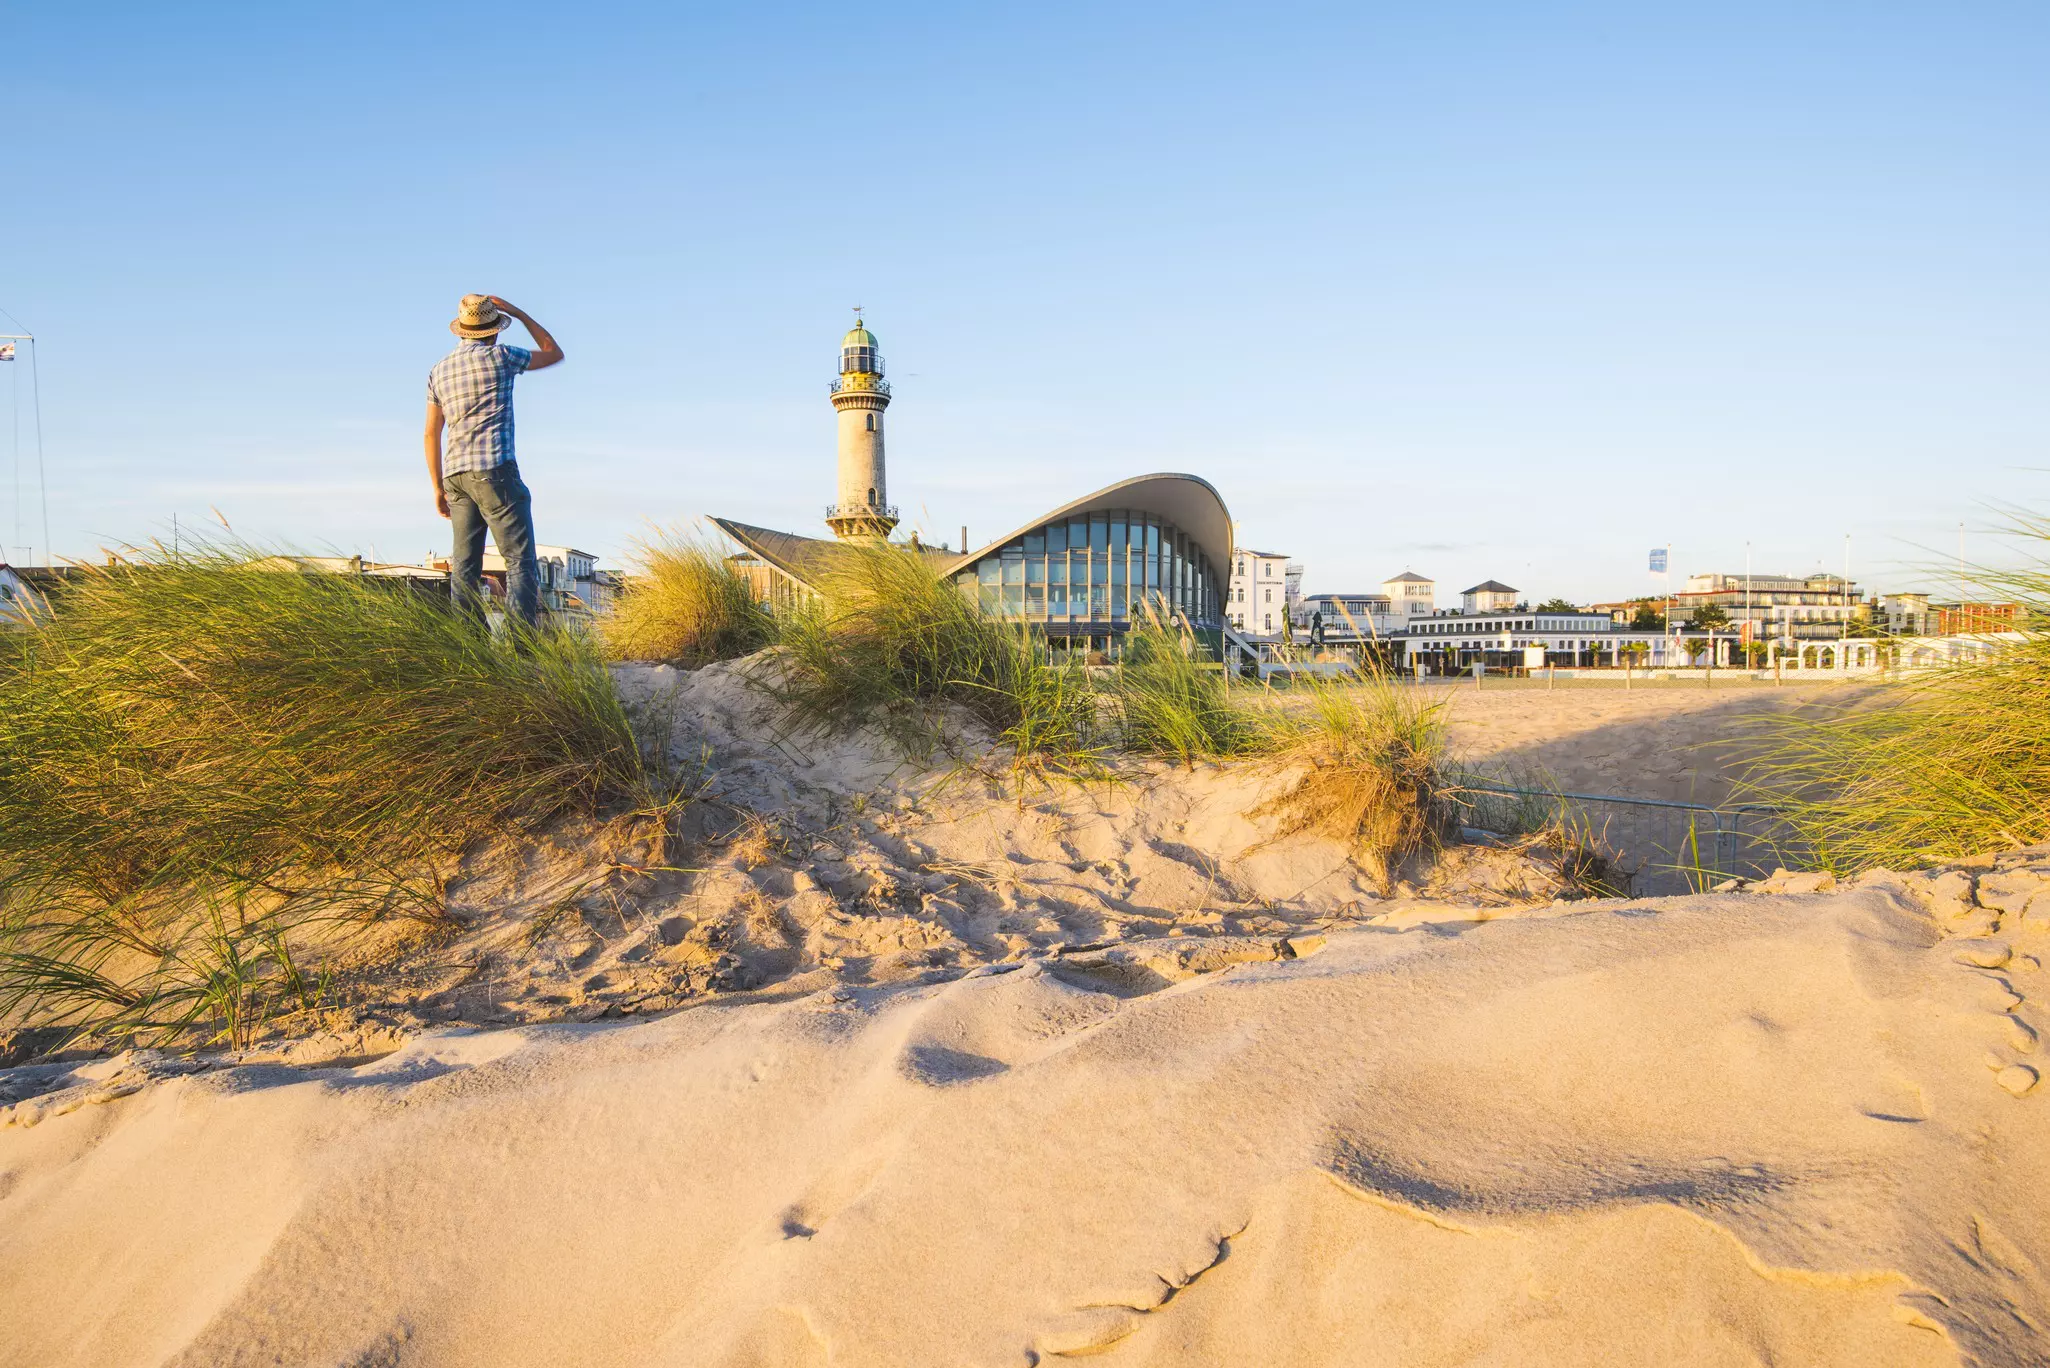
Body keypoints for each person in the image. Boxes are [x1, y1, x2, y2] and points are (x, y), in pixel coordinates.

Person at [425, 294, 563, 627]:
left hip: (455, 476)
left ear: (462, 331)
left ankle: (474, 651)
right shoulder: (501, 356)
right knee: (519, 563)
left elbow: (431, 433)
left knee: (465, 568)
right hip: (494, 470)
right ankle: (521, 650)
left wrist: (437, 489)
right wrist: (517, 311)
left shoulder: (439, 370)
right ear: (496, 329)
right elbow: (553, 353)